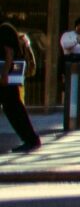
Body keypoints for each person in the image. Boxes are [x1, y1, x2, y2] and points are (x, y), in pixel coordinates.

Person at [0, 21, 38, 154]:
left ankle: (31, 140)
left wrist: (4, 74)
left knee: (15, 111)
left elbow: (9, 53)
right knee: (14, 110)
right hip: (8, 81)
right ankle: (30, 139)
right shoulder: (7, 30)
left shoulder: (4, 30)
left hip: (7, 81)